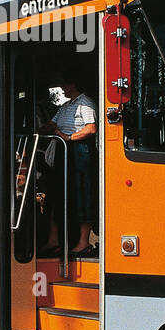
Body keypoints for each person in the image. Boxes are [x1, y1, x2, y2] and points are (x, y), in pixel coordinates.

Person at [39, 69, 98, 258]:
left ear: (73, 85)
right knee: (57, 194)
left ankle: (83, 242)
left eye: (64, 84)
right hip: (63, 151)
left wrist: (68, 137)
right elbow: (52, 123)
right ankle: (54, 240)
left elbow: (90, 129)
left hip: (79, 152)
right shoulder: (66, 106)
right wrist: (44, 127)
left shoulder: (85, 103)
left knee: (82, 193)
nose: (62, 88)